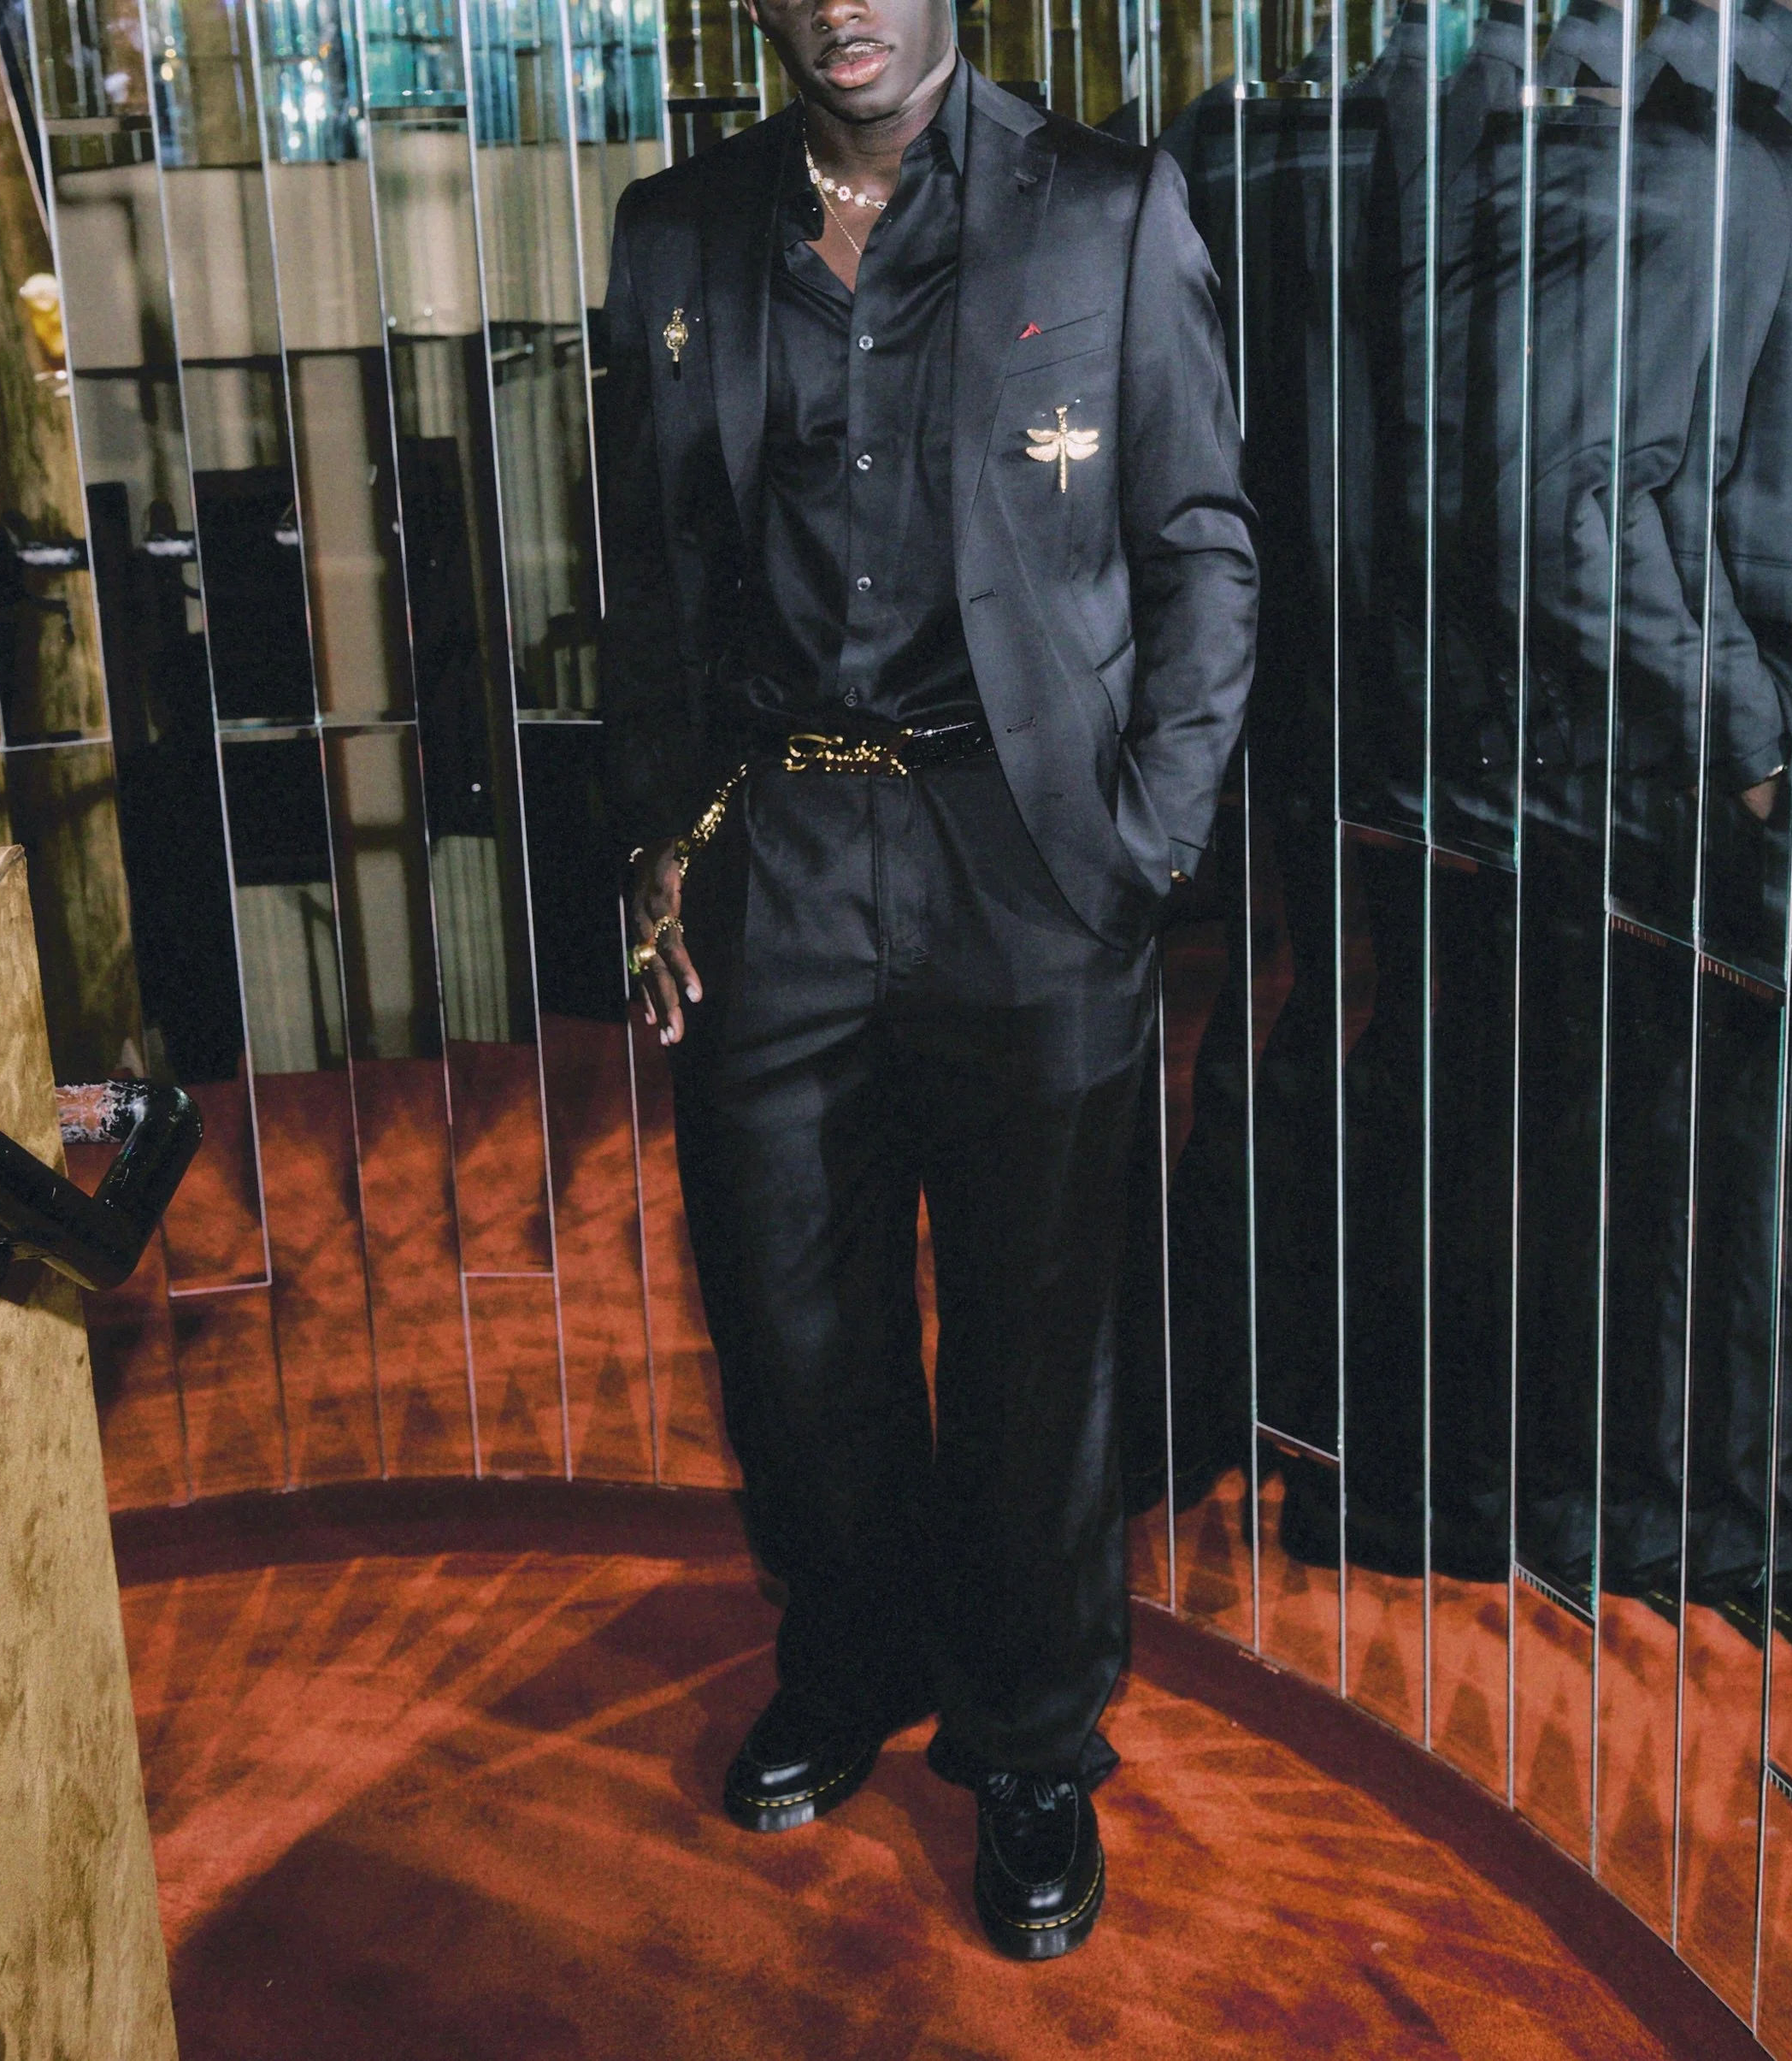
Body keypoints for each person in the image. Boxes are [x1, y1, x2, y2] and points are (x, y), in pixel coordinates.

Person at [597, 0, 1257, 1958]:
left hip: (1027, 859)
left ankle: (1034, 1729)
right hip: (779, 853)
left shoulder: (1107, 213)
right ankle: (853, 1644)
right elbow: (644, 573)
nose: (841, 7)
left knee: (1040, 1341)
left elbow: (1204, 550)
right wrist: (658, 848)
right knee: (789, 1326)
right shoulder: (674, 233)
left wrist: (1140, 846)